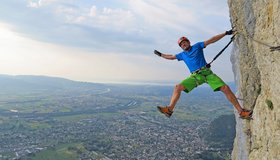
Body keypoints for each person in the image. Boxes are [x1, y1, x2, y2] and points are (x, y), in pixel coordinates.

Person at [154, 30, 252, 119]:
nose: (184, 44)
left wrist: (225, 33)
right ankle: (169, 109)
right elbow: (171, 57)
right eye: (182, 44)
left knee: (225, 88)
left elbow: (211, 40)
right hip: (195, 76)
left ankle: (241, 111)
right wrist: (161, 55)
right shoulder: (182, 55)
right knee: (177, 87)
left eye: (185, 42)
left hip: (207, 73)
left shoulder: (197, 46)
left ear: (189, 42)